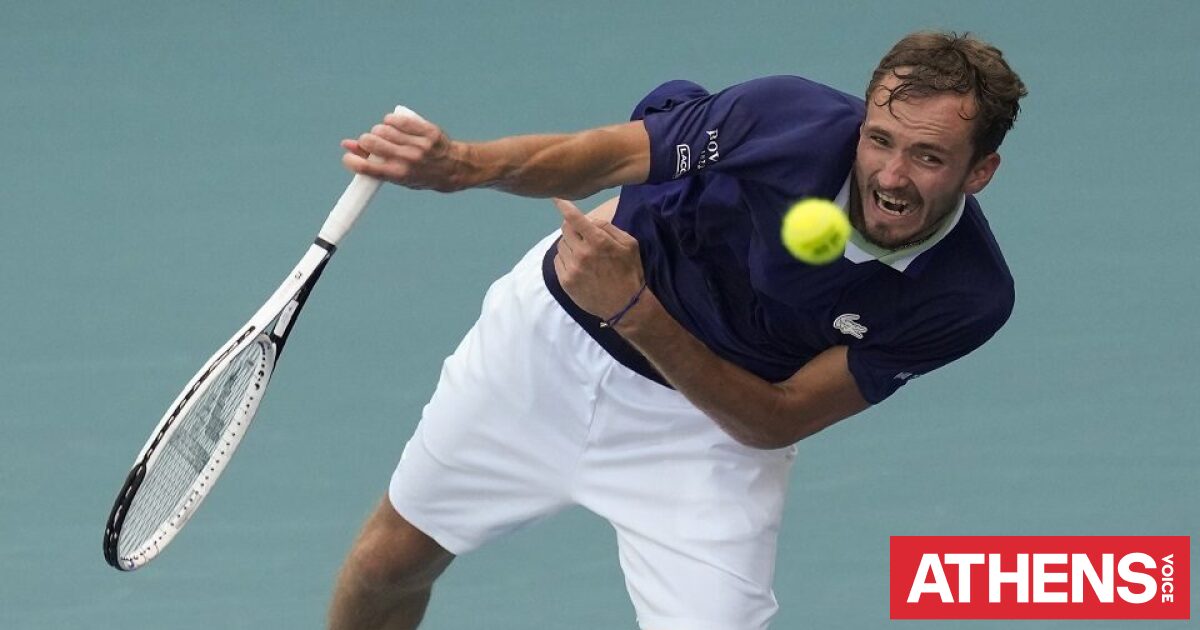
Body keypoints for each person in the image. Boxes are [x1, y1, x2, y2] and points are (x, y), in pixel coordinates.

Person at [327, 31, 1027, 630]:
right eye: (879, 140)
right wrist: (460, 166)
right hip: (548, 349)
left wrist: (632, 308)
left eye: (928, 157)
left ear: (982, 171)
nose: (890, 175)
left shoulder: (967, 295)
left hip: (709, 436)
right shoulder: (782, 117)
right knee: (386, 566)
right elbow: (608, 155)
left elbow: (773, 419)